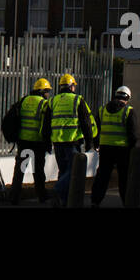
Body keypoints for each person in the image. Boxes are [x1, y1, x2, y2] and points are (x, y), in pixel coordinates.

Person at [45, 73, 95, 207]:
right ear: (72, 86)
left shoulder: (52, 101)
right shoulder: (78, 100)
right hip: (72, 142)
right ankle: (57, 191)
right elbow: (86, 122)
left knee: (63, 171)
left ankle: (64, 201)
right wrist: (90, 141)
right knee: (73, 171)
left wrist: (47, 143)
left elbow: (46, 124)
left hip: (57, 143)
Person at [92, 85, 138, 207]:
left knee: (103, 175)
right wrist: (132, 148)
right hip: (123, 150)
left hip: (105, 148)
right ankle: (126, 201)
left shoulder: (102, 110)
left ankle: (95, 201)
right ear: (128, 97)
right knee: (124, 178)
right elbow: (132, 134)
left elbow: (95, 130)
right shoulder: (128, 111)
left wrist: (96, 144)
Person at [7, 77, 53, 203]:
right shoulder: (44, 104)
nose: (48, 94)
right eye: (47, 91)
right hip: (38, 143)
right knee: (38, 171)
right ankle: (42, 196)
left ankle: (14, 197)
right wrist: (48, 143)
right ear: (43, 91)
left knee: (20, 170)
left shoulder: (24, 100)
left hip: (23, 142)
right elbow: (47, 126)